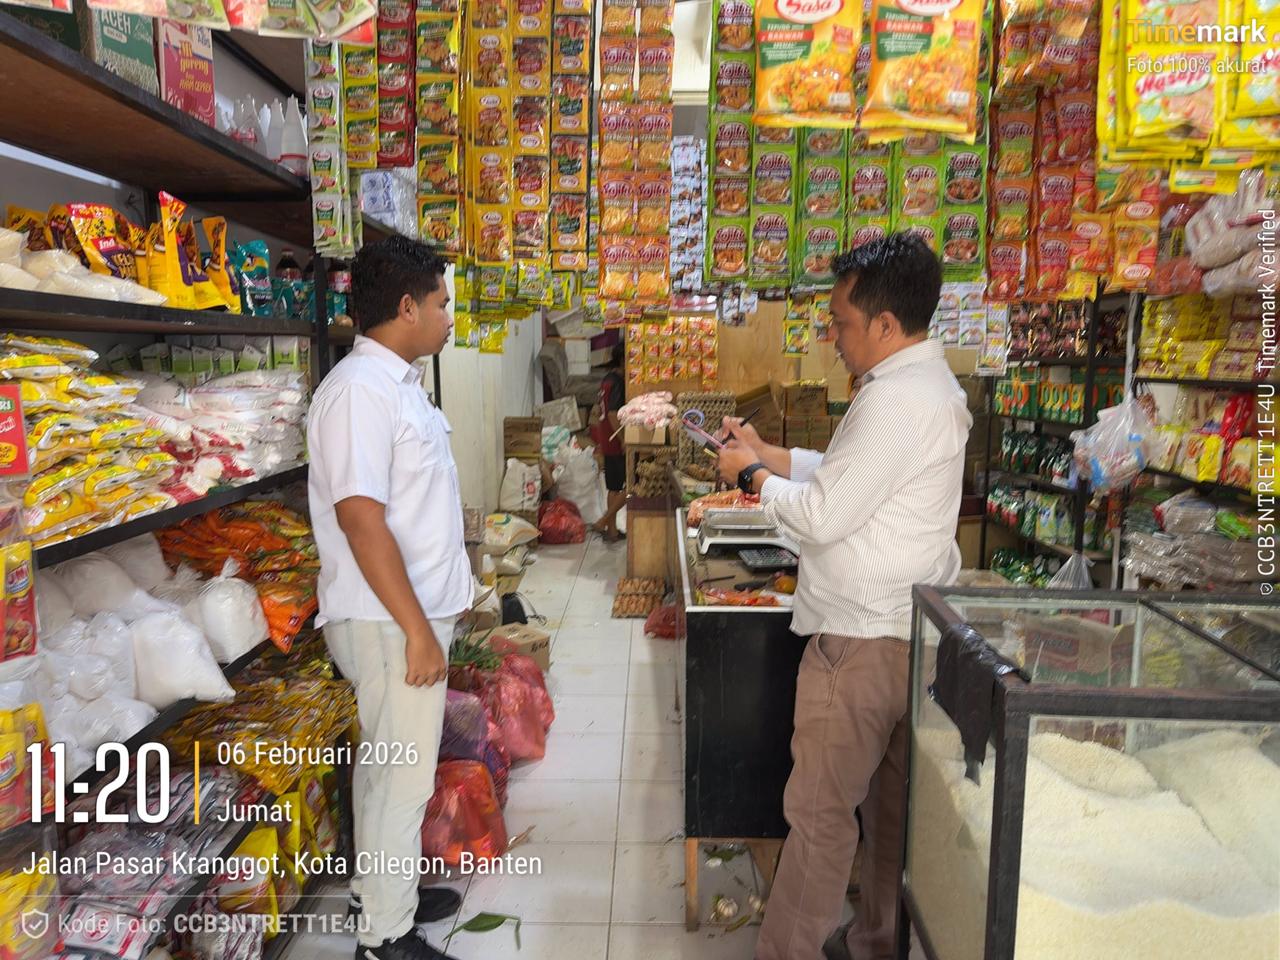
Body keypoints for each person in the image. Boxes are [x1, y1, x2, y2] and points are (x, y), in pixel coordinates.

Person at [716, 234, 972, 960]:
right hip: (909, 637)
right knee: (891, 814)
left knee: (821, 819)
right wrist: (769, 455)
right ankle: (875, 941)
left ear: (885, 324)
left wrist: (751, 479)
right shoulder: (930, 388)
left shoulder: (892, 399)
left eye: (841, 322)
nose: (833, 336)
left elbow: (823, 513)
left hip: (859, 645)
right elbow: (850, 472)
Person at [307, 237, 472, 960]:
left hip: (403, 617)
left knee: (386, 766)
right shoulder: (358, 393)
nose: (448, 318)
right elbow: (360, 519)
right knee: (401, 778)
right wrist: (418, 631)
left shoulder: (398, 384)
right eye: (441, 304)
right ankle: (384, 935)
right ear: (407, 307)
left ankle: (381, 889)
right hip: (387, 624)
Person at [592, 342, 627, 541]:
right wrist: (623, 439)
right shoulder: (619, 383)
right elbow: (613, 414)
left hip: (605, 435)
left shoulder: (607, 379)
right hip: (614, 438)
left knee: (613, 487)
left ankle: (612, 531)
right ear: (622, 360)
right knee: (632, 486)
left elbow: (602, 411)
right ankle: (604, 520)